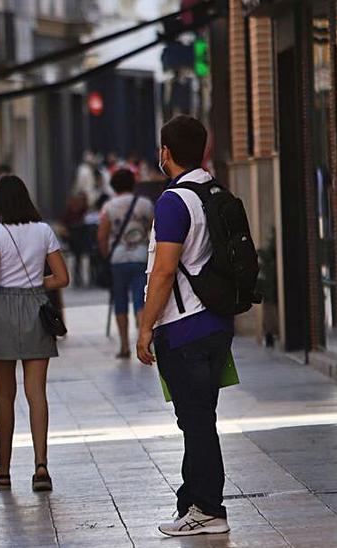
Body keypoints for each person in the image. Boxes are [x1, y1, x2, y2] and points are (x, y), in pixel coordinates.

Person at [137, 115, 234, 537]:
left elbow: (163, 272)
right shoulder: (213, 190)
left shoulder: (174, 201)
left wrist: (144, 328)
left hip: (184, 325)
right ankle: (192, 501)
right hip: (215, 322)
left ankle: (208, 509)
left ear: (165, 153)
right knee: (198, 417)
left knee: (195, 421)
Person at [0, 175, 69, 494]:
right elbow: (62, 277)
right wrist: (33, 285)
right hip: (35, 310)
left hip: (3, 311)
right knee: (36, 393)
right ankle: (41, 466)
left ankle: (3, 469)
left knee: (5, 395)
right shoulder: (44, 230)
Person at [97, 170, 154, 359]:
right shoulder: (145, 204)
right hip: (141, 257)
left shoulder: (109, 207)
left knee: (120, 301)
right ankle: (143, 341)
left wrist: (107, 255)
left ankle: (124, 346)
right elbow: (154, 230)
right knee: (140, 300)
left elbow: (102, 235)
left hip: (118, 259)